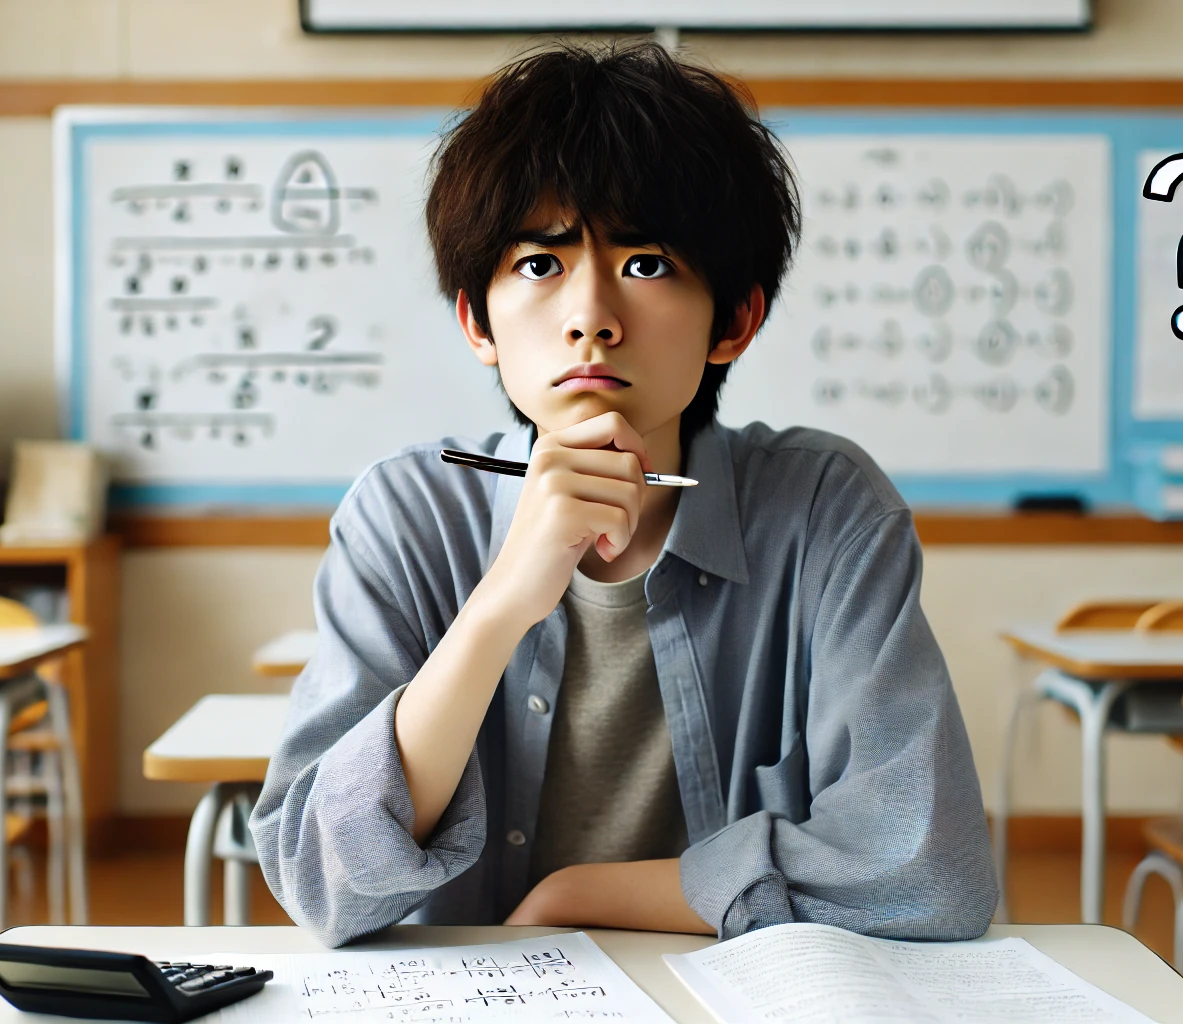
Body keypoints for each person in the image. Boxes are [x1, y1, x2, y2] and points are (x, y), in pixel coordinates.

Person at [250, 40, 997, 948]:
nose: (591, 316)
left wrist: (581, 896)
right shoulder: (407, 515)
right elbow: (320, 881)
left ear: (735, 321)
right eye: (539, 265)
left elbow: (928, 873)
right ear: (475, 321)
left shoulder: (824, 511)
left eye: (646, 264)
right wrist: (499, 608)